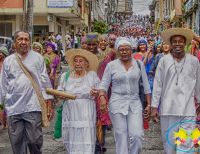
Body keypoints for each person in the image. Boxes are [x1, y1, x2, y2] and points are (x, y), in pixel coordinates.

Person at [0, 31, 54, 154]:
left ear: (29, 41)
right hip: (13, 108)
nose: (23, 42)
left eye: (26, 39)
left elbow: (45, 81)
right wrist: (2, 108)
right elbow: (3, 85)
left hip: (33, 106)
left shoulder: (38, 58)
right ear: (14, 43)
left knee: (34, 141)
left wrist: (49, 102)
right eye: (20, 39)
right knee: (17, 144)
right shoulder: (8, 61)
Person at [99, 37, 151, 154]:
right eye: (121, 49)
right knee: (120, 135)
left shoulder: (138, 64)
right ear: (117, 51)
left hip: (135, 102)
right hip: (116, 103)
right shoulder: (111, 65)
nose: (124, 52)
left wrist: (149, 104)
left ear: (131, 50)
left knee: (137, 135)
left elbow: (146, 86)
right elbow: (103, 85)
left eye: (127, 49)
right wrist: (102, 97)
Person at [151, 28, 200, 154]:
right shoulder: (163, 61)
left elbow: (198, 83)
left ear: (185, 43)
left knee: (187, 145)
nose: (177, 44)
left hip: (188, 109)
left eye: (180, 41)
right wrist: (154, 106)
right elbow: (158, 84)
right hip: (168, 110)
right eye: (174, 41)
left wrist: (199, 101)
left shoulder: (194, 61)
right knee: (169, 145)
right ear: (171, 44)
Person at [58, 49, 100, 154]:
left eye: (80, 61)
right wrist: (61, 95)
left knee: (86, 138)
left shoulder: (92, 75)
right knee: (71, 136)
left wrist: (96, 92)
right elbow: (59, 90)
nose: (77, 63)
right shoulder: (65, 76)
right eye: (75, 61)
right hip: (70, 112)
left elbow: (99, 90)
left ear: (86, 63)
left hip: (86, 111)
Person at [0, 46, 9, 129]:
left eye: (1, 53)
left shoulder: (6, 63)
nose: (0, 54)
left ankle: (4, 121)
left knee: (3, 104)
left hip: (4, 86)